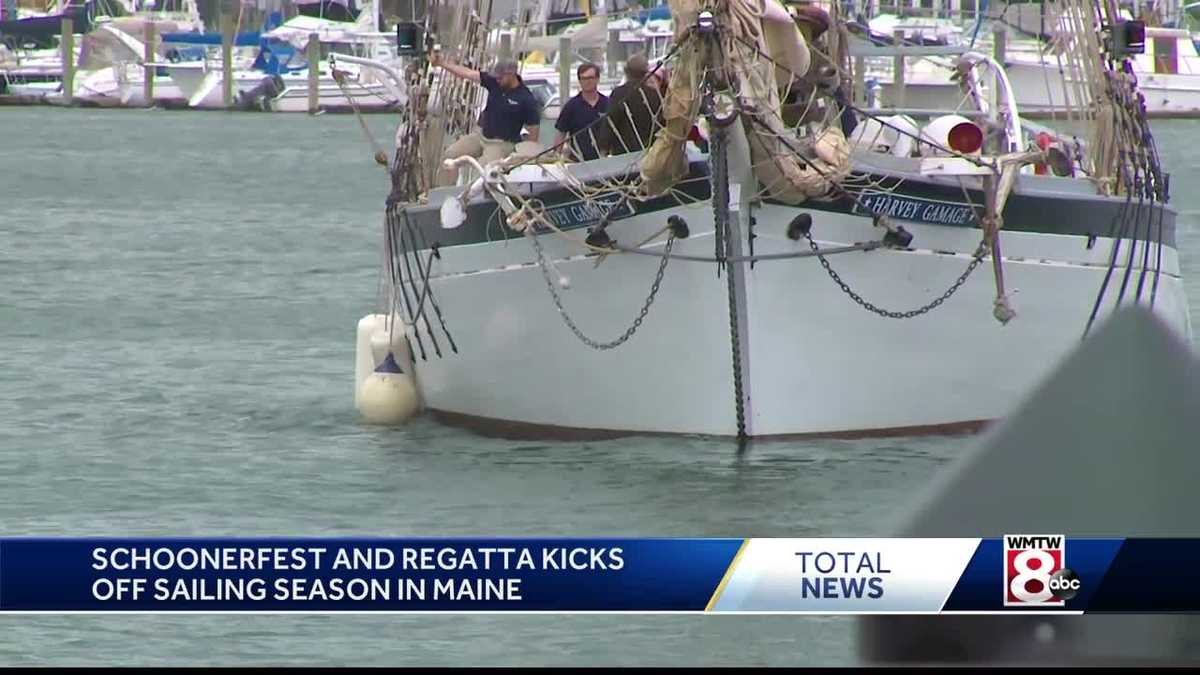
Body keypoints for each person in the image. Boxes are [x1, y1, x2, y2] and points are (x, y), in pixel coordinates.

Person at [429, 54, 542, 186]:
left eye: (500, 77)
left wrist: (525, 157)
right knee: (450, 154)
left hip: (501, 143)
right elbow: (468, 74)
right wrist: (442, 63)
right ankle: (443, 192)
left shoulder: (527, 99)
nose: (497, 80)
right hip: (480, 136)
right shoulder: (493, 82)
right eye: (496, 77)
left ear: (511, 74)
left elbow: (533, 132)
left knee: (482, 172)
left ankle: (469, 200)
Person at [596, 53, 663, 156]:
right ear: (645, 73)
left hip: (623, 153)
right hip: (650, 154)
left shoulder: (619, 93)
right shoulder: (655, 96)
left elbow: (611, 122)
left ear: (626, 72)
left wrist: (603, 149)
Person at [553, 63, 609, 161]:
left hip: (604, 161)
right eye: (583, 78)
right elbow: (561, 133)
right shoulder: (571, 106)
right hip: (577, 161)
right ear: (579, 81)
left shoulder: (608, 103)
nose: (587, 82)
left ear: (597, 79)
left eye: (590, 78)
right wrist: (556, 156)